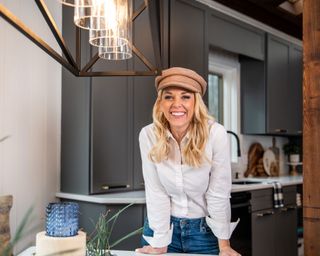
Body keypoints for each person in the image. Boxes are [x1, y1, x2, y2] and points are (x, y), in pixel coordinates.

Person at [135, 67, 240, 256]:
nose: (177, 104)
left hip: (205, 233)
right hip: (161, 229)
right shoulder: (148, 135)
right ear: (160, 103)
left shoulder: (215, 134)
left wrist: (224, 245)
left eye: (185, 97)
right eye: (168, 97)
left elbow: (218, 193)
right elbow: (155, 191)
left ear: (196, 102)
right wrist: (160, 240)